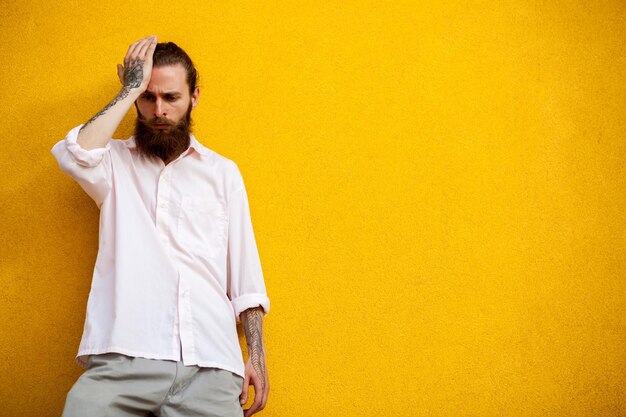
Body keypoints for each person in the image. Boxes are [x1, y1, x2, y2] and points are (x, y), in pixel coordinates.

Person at [51, 36, 270, 417]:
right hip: (125, 359)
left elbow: (246, 280)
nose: (159, 110)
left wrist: (258, 356)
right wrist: (129, 87)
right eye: (148, 98)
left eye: (171, 98)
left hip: (212, 366)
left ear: (194, 97)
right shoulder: (113, 163)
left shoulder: (222, 173)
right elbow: (76, 155)